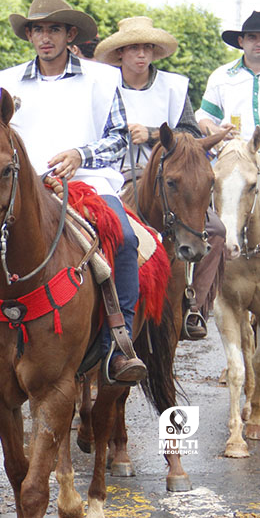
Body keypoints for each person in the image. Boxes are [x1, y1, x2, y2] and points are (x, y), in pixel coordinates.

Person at [0, 0, 147, 383]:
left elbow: (118, 138)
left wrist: (81, 155)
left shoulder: (103, 78)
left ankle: (119, 342)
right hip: (22, 188)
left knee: (127, 240)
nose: (45, 37)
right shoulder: (4, 82)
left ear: (69, 34)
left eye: (54, 29)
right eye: (38, 29)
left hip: (88, 182)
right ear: (29, 35)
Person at [96, 17, 222, 340]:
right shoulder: (101, 86)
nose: (141, 55)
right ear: (121, 53)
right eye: (134, 48)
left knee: (217, 230)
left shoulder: (174, 88)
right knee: (110, 230)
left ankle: (193, 304)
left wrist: (153, 134)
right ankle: (106, 307)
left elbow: (192, 135)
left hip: (171, 177)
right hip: (117, 174)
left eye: (147, 48)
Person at [196, 10, 260, 141]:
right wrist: (218, 131)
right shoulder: (221, 76)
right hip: (235, 155)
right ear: (241, 41)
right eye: (252, 37)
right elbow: (203, 117)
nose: (258, 43)